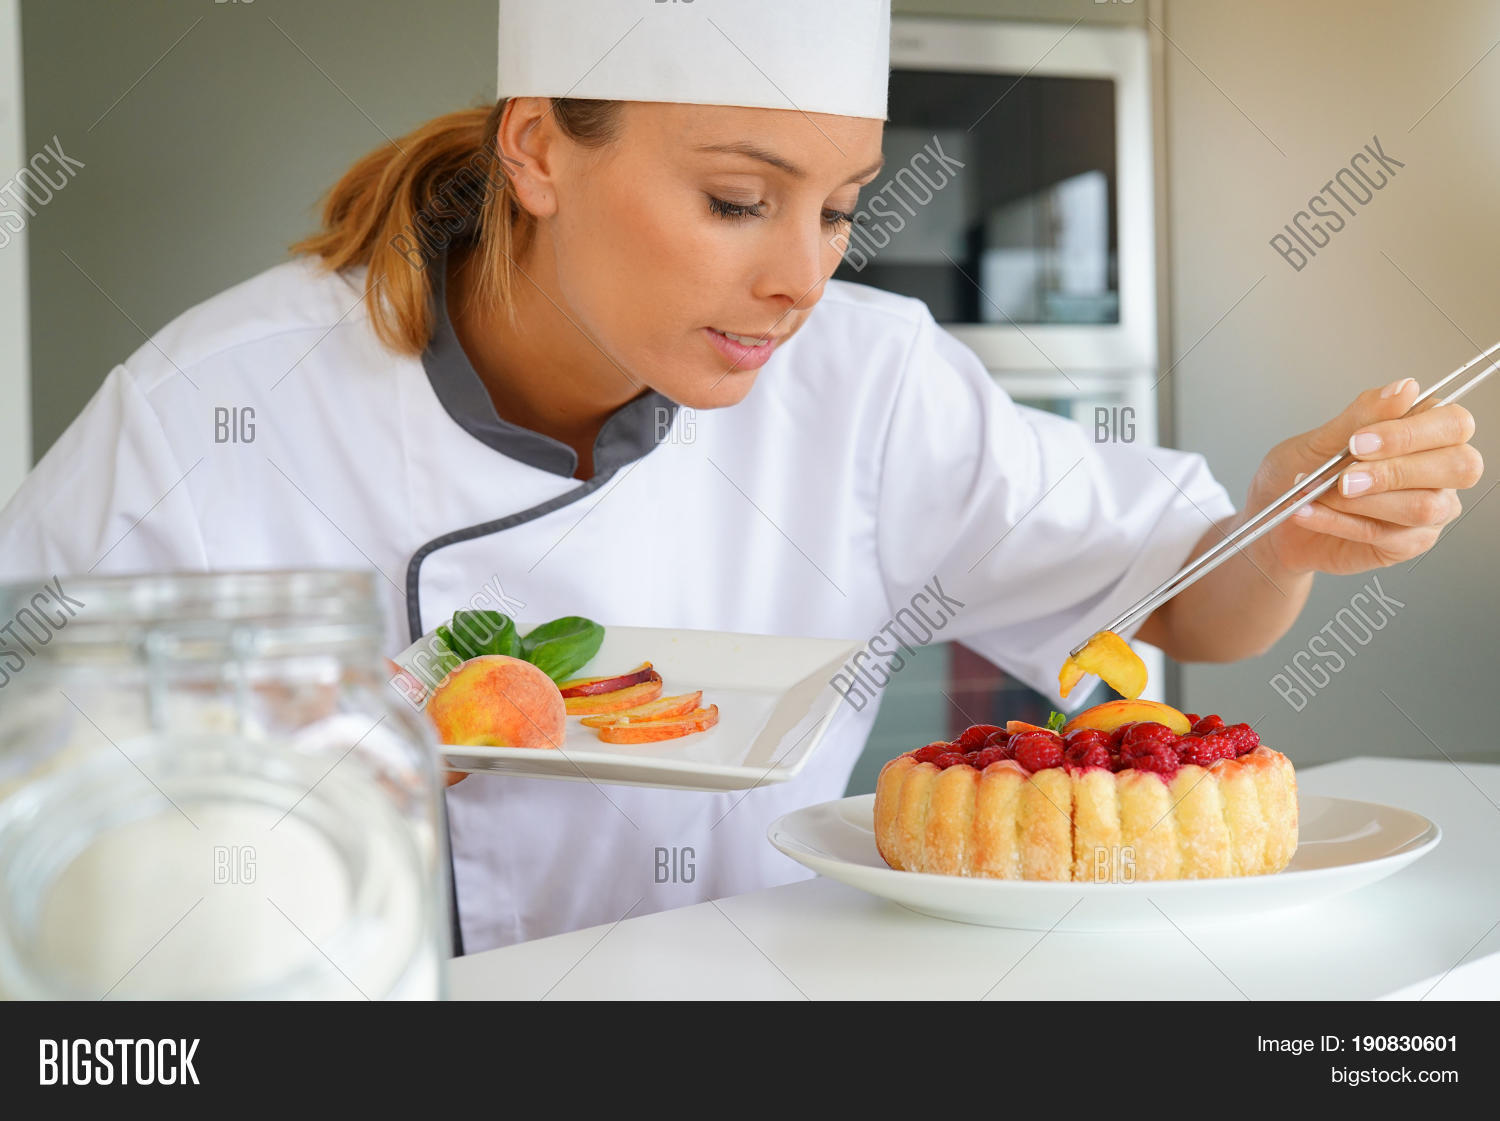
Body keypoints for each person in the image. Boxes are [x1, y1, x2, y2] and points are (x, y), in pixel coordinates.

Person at [0, 0, 1483, 954]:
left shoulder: (871, 377)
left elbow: (1182, 604)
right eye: (734, 199)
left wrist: (1287, 527)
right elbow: (32, 783)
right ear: (538, 150)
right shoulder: (215, 406)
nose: (800, 278)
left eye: (837, 210)